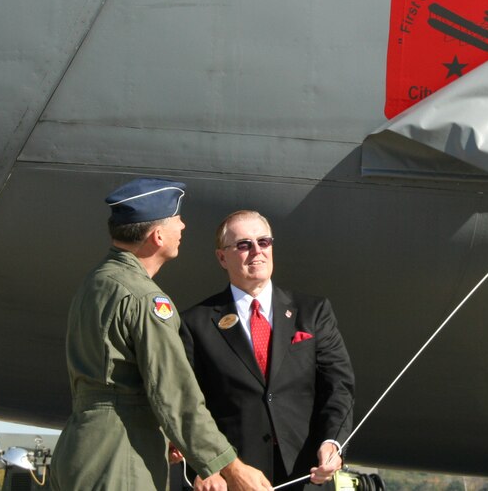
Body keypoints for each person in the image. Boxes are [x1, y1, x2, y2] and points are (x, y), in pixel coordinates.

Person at [49, 178, 272, 491]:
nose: (182, 226)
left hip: (80, 445)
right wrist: (230, 468)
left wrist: (167, 436)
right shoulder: (146, 298)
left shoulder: (96, 282)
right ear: (156, 236)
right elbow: (175, 393)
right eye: (175, 220)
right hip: (119, 456)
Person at [176, 210, 355, 490]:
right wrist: (203, 466)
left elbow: (338, 387)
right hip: (233, 480)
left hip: (306, 476)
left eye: (264, 242)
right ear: (222, 257)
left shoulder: (313, 313)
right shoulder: (194, 323)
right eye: (244, 245)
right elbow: (186, 404)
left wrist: (333, 443)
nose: (257, 251)